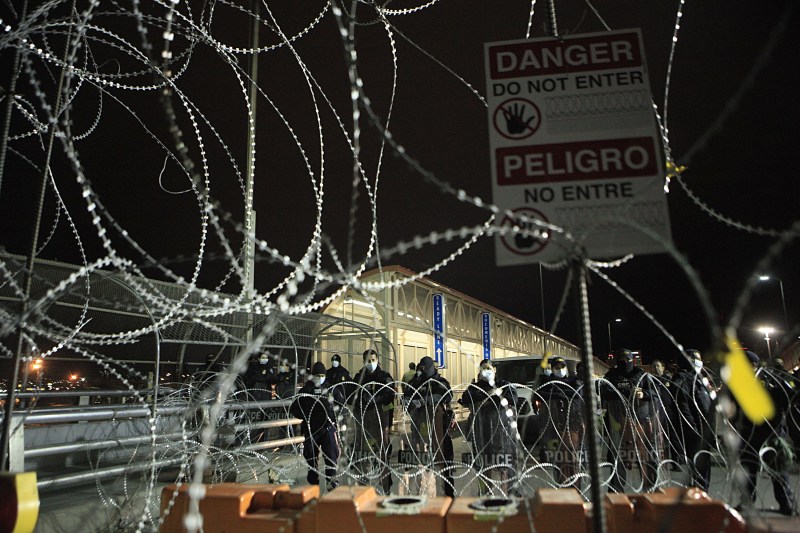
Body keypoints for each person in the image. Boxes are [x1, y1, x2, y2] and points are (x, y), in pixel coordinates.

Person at [735, 350, 795, 515]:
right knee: (749, 471)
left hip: (772, 434)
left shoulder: (772, 381)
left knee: (778, 470)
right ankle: (747, 503)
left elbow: (790, 398)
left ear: (754, 365)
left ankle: (786, 504)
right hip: (748, 434)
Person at [601, 348, 660, 493]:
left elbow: (655, 392)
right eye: (621, 359)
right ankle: (615, 490)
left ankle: (651, 487)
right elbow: (601, 390)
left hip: (640, 422)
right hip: (619, 423)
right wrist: (619, 392)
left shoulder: (641, 375)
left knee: (645, 456)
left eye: (627, 359)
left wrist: (643, 393)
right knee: (619, 457)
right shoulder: (611, 375)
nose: (624, 362)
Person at [459, 358, 519, 496]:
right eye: (483, 369)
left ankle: (506, 494)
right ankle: (485, 493)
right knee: (483, 468)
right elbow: (466, 398)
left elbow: (512, 399)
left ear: (494, 370)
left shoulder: (504, 384)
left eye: (489, 368)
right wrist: (493, 396)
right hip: (481, 433)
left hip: (501, 434)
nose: (486, 371)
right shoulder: (474, 387)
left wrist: (487, 399)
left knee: (503, 466)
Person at [404, 356, 454, 497]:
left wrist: (426, 400)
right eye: (421, 368)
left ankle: (446, 493)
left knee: (441, 462)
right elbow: (406, 396)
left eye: (425, 368)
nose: (423, 370)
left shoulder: (440, 382)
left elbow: (448, 395)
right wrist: (412, 401)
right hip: (420, 429)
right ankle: (423, 493)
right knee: (422, 462)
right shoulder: (416, 382)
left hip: (438, 431)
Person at [290, 362, 342, 491]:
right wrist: (307, 415)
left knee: (331, 456)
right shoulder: (306, 390)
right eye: (317, 375)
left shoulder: (331, 389)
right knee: (311, 457)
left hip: (327, 428)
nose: (320, 377)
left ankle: (331, 483)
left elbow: (342, 405)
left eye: (322, 375)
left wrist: (334, 417)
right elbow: (294, 408)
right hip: (311, 428)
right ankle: (313, 484)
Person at [349, 348, 396, 494]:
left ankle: (385, 487)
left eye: (373, 360)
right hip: (364, 418)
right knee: (363, 451)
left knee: (382, 451)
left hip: (380, 418)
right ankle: (364, 486)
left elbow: (390, 392)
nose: (371, 363)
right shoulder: (359, 377)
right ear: (364, 361)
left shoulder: (384, 376)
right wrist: (361, 401)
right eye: (368, 361)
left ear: (378, 361)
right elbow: (351, 395)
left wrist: (377, 399)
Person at [671, 349, 715, 491]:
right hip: (695, 431)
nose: (699, 362)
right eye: (696, 358)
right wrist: (693, 431)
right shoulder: (682, 379)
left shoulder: (698, 378)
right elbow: (683, 408)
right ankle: (699, 494)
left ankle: (701, 493)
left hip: (705, 428)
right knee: (699, 467)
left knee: (703, 467)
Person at [540, 356, 585, 490]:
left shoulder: (573, 381)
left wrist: (557, 393)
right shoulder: (547, 382)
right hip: (554, 424)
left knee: (573, 458)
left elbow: (577, 393)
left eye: (562, 367)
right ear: (552, 369)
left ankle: (576, 489)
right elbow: (541, 393)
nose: (560, 370)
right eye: (557, 368)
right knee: (560, 460)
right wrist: (563, 394)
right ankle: (563, 488)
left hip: (572, 424)